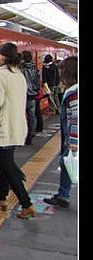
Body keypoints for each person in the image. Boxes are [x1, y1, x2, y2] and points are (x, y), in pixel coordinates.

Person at [0, 43, 36, 219]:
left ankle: (26, 204)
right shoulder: (18, 74)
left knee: (7, 166)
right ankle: (0, 199)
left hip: (4, 128)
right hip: (17, 126)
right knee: (2, 164)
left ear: (0, 56)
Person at [43, 56, 78, 208]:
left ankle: (63, 195)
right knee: (66, 163)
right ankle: (63, 194)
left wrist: (73, 141)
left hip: (72, 138)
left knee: (68, 162)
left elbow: (76, 118)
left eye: (62, 71)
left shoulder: (73, 93)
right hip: (69, 137)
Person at [20, 51, 40, 145]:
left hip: (23, 94)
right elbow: (37, 80)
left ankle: (22, 135)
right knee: (32, 115)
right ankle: (31, 135)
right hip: (33, 94)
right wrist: (36, 90)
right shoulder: (34, 68)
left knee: (21, 116)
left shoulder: (21, 68)